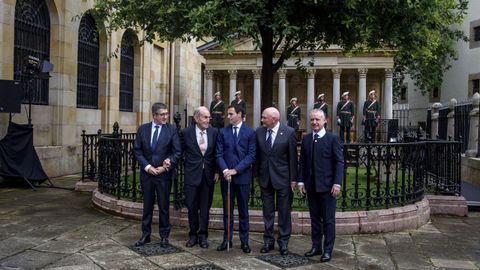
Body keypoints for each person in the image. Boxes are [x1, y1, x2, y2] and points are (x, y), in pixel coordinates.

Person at [297, 109, 344, 263]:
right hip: (311, 187)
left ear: (325, 121)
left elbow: (339, 162)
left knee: (328, 220)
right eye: (312, 120)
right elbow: (302, 162)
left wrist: (337, 183)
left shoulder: (333, 139)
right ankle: (316, 247)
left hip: (328, 188)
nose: (314, 122)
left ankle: (328, 250)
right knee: (315, 219)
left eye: (317, 119)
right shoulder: (307, 139)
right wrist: (301, 181)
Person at [133, 102, 181, 248]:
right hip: (147, 175)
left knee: (164, 206)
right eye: (162, 114)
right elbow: (137, 151)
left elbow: (177, 152)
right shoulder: (143, 129)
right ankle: (145, 235)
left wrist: (166, 165)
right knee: (147, 206)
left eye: (166, 114)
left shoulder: (171, 130)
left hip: (163, 176)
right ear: (154, 115)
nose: (165, 117)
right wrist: (147, 167)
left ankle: (164, 236)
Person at [256, 107, 297, 256]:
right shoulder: (259, 132)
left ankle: (283, 242)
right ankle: (268, 241)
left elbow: (293, 158)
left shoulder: (289, 132)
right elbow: (258, 156)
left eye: (264, 117)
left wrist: (293, 179)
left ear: (274, 119)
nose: (262, 120)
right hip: (265, 179)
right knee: (267, 212)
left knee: (284, 212)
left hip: (283, 179)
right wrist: (257, 176)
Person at [216, 105, 256, 253]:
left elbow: (251, 156)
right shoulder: (222, 132)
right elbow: (218, 154)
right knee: (227, 211)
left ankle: (244, 241)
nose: (228, 116)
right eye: (228, 114)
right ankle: (227, 239)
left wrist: (236, 170)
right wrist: (226, 170)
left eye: (231, 114)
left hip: (242, 178)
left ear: (240, 114)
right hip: (226, 178)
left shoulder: (250, 133)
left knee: (243, 211)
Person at [182, 106, 219, 249]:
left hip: (208, 176)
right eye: (205, 117)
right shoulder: (186, 133)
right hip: (192, 175)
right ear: (196, 118)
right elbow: (179, 152)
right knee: (191, 207)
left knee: (205, 208)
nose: (208, 120)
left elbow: (217, 153)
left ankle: (203, 235)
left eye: (209, 117)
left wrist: (217, 171)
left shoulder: (214, 132)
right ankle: (192, 235)